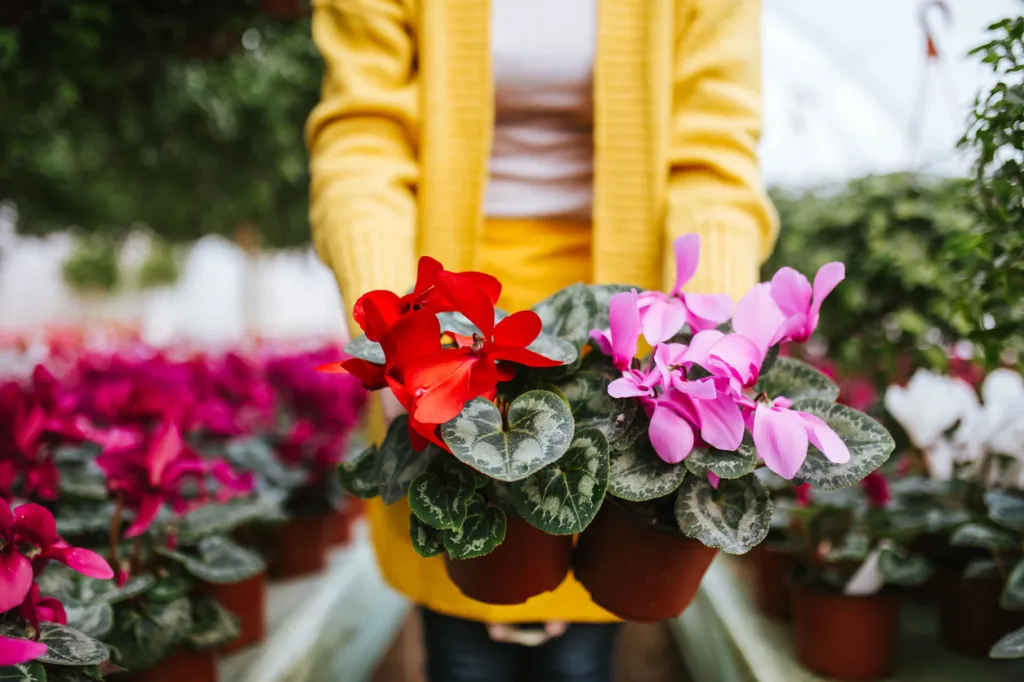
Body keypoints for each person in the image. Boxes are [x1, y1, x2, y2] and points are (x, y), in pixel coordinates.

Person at [307, 0, 778, 679]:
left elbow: (713, 152)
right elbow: (363, 137)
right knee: (464, 635)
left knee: (585, 639)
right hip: (440, 300)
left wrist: (711, 345)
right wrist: (396, 330)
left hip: (626, 317)